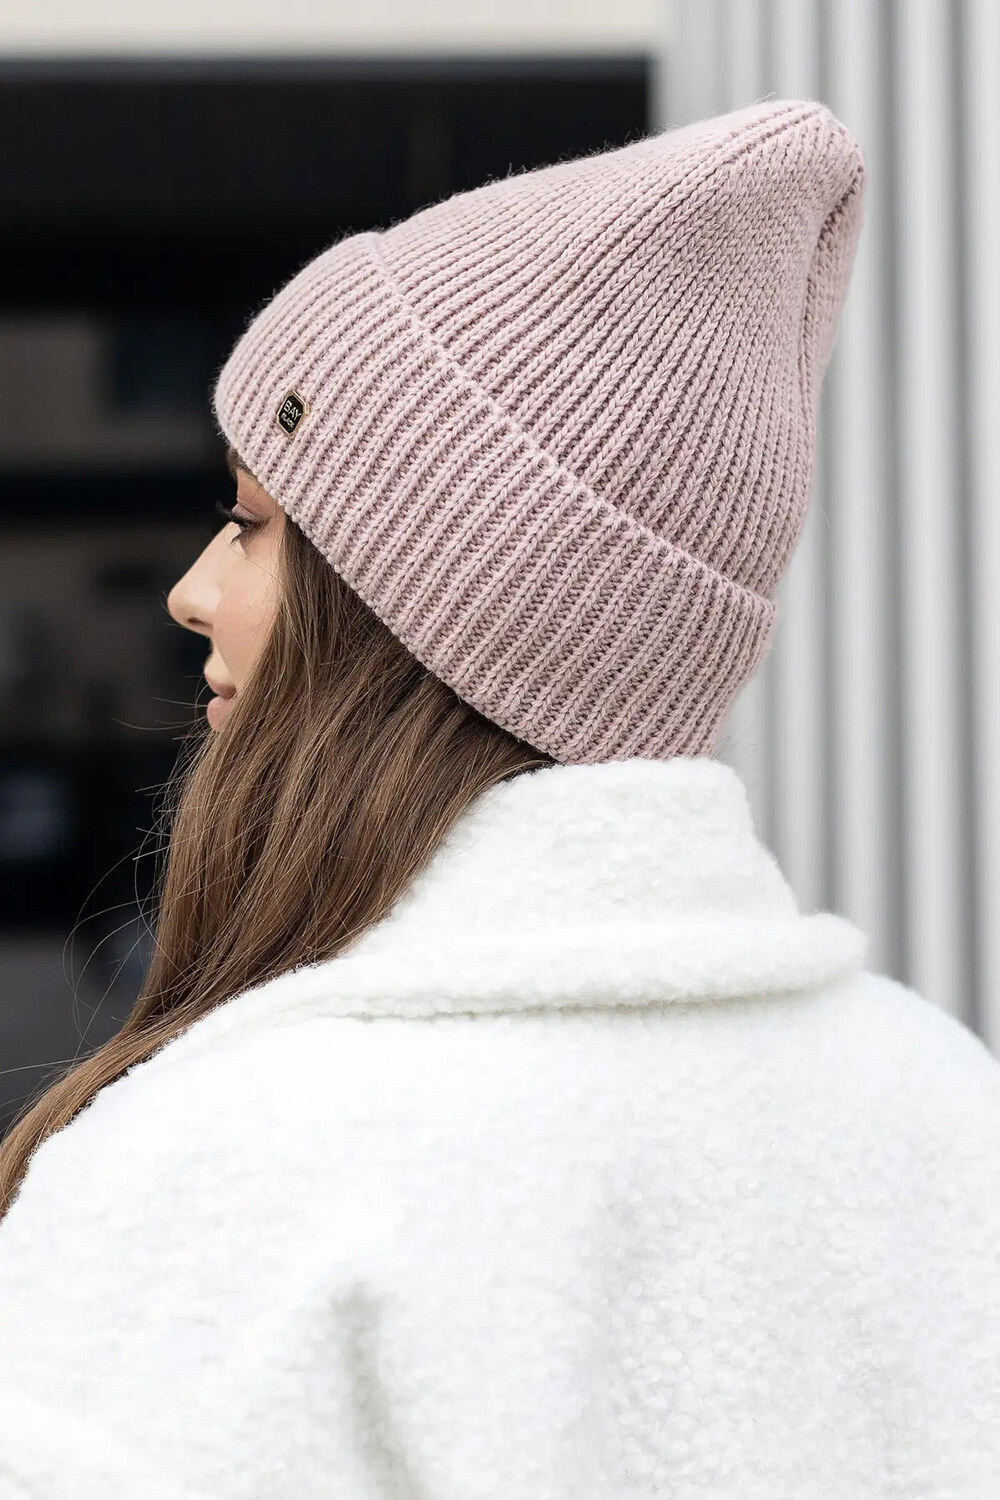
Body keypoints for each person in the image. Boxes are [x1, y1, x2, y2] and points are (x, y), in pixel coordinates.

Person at [0, 97, 998, 1499]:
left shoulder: (222, 1173)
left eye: (253, 525)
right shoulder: (945, 1113)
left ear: (430, 614)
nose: (194, 591)